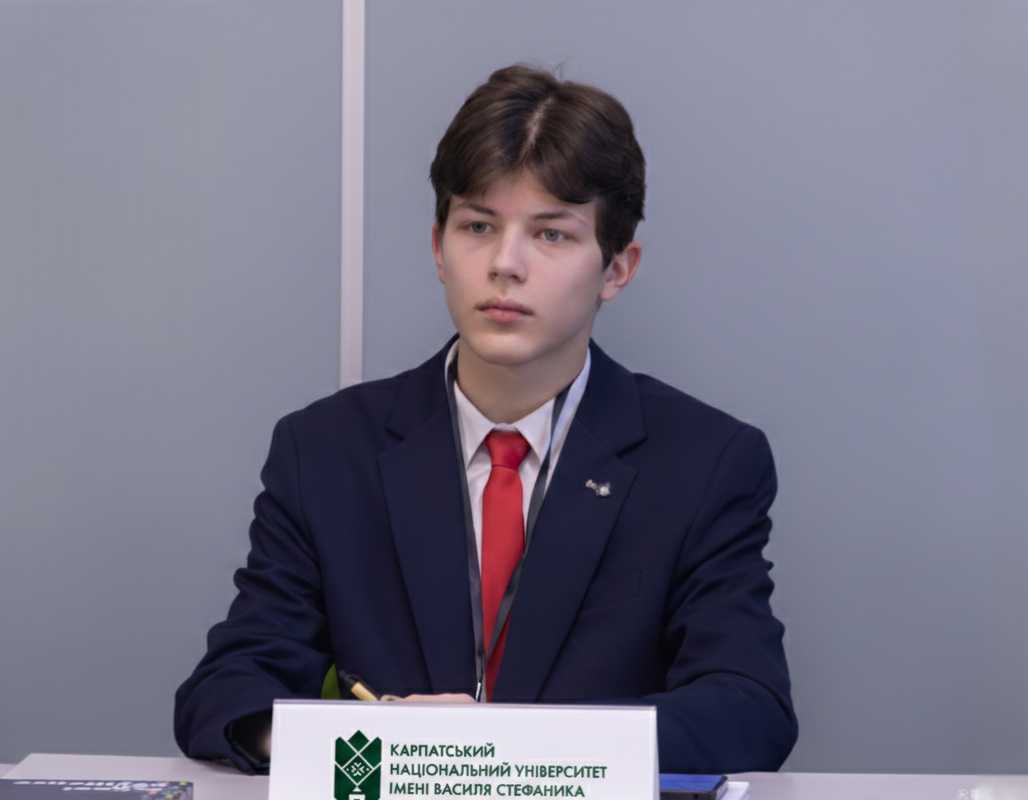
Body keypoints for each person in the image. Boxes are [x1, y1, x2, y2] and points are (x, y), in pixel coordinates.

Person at [174, 64, 798, 775]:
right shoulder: (325, 450)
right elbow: (226, 693)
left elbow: (748, 706)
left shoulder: (704, 461)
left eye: (552, 235)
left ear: (617, 269)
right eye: (477, 226)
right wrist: (368, 746)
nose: (506, 264)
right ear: (438, 248)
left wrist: (502, 752)